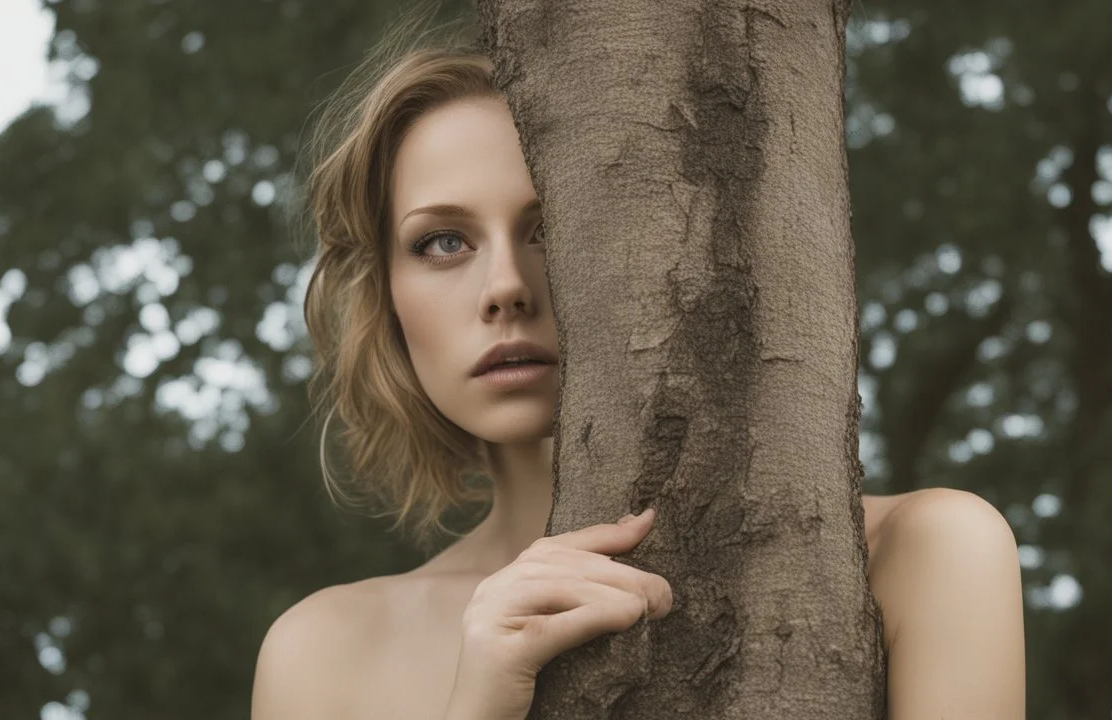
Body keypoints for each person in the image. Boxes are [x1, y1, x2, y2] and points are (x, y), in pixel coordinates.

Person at [250, 28, 1027, 720]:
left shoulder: (921, 554)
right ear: (385, 296)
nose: (506, 288)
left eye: (550, 225)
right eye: (443, 242)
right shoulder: (323, 654)